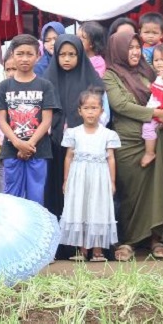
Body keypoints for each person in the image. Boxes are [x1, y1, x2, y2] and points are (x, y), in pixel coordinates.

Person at [103, 31, 163, 261]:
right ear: (118, 50)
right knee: (131, 191)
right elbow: (120, 105)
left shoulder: (148, 71)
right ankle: (129, 240)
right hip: (128, 140)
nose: (134, 52)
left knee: (157, 188)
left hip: (159, 137)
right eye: (129, 48)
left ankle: (156, 238)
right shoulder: (110, 75)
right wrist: (156, 113)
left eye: (137, 47)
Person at [43, 33, 107, 226]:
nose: (67, 59)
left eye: (72, 54)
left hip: (85, 146)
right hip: (55, 146)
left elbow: (102, 113)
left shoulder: (92, 81)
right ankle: (59, 234)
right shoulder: (47, 81)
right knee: (57, 188)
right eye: (62, 54)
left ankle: (84, 234)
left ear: (80, 55)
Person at [0, 35, 59, 204]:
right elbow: (2, 120)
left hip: (39, 150)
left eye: (29, 54)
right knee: (12, 196)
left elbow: (47, 121)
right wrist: (17, 143)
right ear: (12, 55)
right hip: (11, 149)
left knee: (36, 196)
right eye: (20, 54)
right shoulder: (4, 87)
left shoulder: (45, 86)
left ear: (38, 56)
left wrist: (29, 144)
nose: (24, 59)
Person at [60, 88, 121, 262]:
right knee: (80, 208)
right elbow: (68, 157)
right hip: (78, 177)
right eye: (86, 108)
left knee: (98, 209)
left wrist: (112, 181)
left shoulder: (108, 134)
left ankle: (98, 250)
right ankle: (82, 250)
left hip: (100, 178)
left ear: (102, 110)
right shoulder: (73, 132)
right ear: (80, 111)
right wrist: (66, 180)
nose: (90, 112)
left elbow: (111, 158)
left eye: (94, 108)